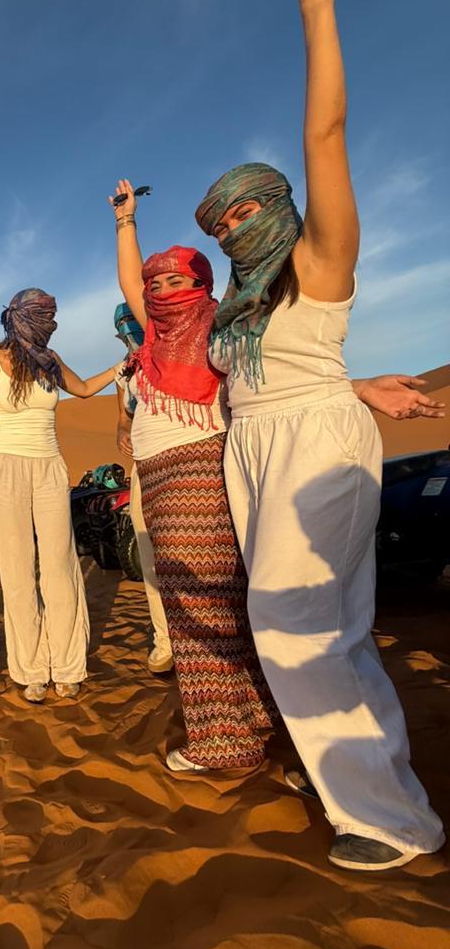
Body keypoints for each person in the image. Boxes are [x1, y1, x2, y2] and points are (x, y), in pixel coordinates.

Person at [195, 0, 445, 871]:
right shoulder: (240, 308)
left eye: (248, 206)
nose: (234, 228)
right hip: (259, 450)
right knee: (315, 627)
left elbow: (326, 133)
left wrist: (316, 6)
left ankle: (393, 821)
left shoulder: (318, 257)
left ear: (282, 203)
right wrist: (362, 381)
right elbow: (278, 370)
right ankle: (357, 776)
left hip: (314, 450)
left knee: (297, 624)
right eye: (221, 222)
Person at [112, 221, 277, 772]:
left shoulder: (215, 325)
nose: (160, 292)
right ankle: (249, 723)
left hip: (198, 467)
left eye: (174, 280)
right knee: (206, 603)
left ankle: (223, 742)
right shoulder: (155, 339)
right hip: (157, 477)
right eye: (154, 285)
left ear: (201, 283)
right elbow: (130, 282)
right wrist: (125, 222)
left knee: (201, 607)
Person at [0, 289, 119, 702]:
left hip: (50, 464)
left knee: (59, 562)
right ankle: (32, 670)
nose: (51, 320)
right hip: (6, 467)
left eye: (53, 314)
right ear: (22, 315)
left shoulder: (50, 362)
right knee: (17, 567)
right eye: (44, 313)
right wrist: (0, 444)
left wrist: (121, 366)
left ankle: (68, 666)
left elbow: (86, 389)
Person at [113, 303, 173, 674]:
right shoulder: (126, 369)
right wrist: (122, 431)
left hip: (191, 454)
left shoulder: (184, 346)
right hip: (143, 465)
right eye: (123, 327)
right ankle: (164, 639)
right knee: (148, 549)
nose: (129, 331)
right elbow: (124, 416)